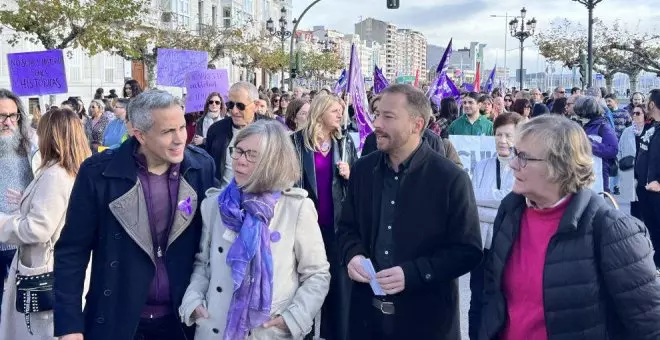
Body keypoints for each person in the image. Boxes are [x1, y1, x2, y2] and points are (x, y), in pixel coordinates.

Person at [53, 90, 217, 340]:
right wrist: (69, 325)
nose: (179, 139)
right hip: (118, 317)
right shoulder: (98, 173)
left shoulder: (201, 166)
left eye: (182, 127)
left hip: (182, 318)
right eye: (167, 132)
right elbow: (72, 251)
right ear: (139, 135)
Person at [480, 114, 660, 340]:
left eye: (523, 156)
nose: (513, 164)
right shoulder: (510, 211)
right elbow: (491, 298)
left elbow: (649, 326)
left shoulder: (611, 229)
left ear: (559, 166)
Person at [336, 84, 482, 339]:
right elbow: (347, 229)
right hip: (365, 321)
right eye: (377, 114)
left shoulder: (451, 179)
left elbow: (467, 251)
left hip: (427, 323)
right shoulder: (362, 171)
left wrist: (414, 273)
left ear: (417, 124)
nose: (376, 123)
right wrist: (353, 255)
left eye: (388, 117)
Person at [179, 120, 330, 340]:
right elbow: (203, 263)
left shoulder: (295, 208)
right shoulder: (215, 205)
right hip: (216, 328)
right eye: (238, 151)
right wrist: (193, 301)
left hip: (268, 331)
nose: (239, 161)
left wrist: (293, 319)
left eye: (251, 155)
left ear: (273, 162)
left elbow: (317, 274)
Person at [0, 108, 90, 339]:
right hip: (54, 266)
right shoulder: (70, 169)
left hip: (44, 269)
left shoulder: (56, 174)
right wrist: (27, 201)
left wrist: (3, 222)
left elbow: (38, 229)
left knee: (38, 331)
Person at [291, 94, 357, 340]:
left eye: (341, 111)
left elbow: (358, 182)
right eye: (335, 111)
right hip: (305, 226)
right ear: (320, 113)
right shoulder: (296, 142)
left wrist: (351, 174)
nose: (340, 115)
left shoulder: (345, 142)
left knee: (337, 289)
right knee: (303, 287)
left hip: (336, 226)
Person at [468, 112, 522, 340]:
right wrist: (498, 203)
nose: (502, 140)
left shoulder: (522, 168)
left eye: (508, 136)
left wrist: (483, 200)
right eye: (499, 135)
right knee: (477, 298)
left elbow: (514, 204)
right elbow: (470, 202)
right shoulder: (481, 166)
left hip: (510, 247)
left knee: (504, 299)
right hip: (481, 246)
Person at [0, 89, 40, 322]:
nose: (8, 122)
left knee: (23, 313)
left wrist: (29, 195)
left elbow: (45, 185)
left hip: (20, 237)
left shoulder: (31, 147)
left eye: (13, 116)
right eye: (2, 116)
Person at [206, 82, 269, 188]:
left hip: (260, 198)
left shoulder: (272, 131)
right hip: (221, 198)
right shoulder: (216, 130)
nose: (234, 111)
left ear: (256, 105)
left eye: (240, 106)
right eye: (231, 105)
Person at [635, 89, 660, 269]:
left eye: (647, 101)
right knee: (652, 227)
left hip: (656, 189)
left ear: (652, 104)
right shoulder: (652, 127)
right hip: (645, 189)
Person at [574, 96, 619, 193]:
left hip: (599, 175)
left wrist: (590, 144)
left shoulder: (603, 126)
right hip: (583, 174)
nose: (578, 116)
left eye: (580, 113)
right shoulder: (582, 125)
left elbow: (613, 150)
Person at [618, 104, 647, 219]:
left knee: (646, 205)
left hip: (645, 174)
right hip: (630, 172)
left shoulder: (651, 130)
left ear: (645, 115)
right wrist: (622, 163)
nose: (634, 116)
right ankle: (637, 230)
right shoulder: (627, 131)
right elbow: (619, 150)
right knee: (634, 205)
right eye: (633, 113)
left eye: (638, 113)